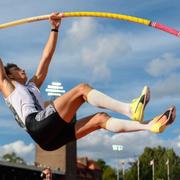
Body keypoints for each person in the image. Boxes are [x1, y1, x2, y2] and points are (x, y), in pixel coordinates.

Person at [0, 13, 176, 151]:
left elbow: (46, 58)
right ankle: (129, 109)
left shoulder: (32, 85)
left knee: (100, 119)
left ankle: (149, 126)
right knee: (82, 89)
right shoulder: (8, 86)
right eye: (17, 69)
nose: (23, 69)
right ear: (10, 75)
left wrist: (54, 29)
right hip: (36, 125)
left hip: (48, 139)